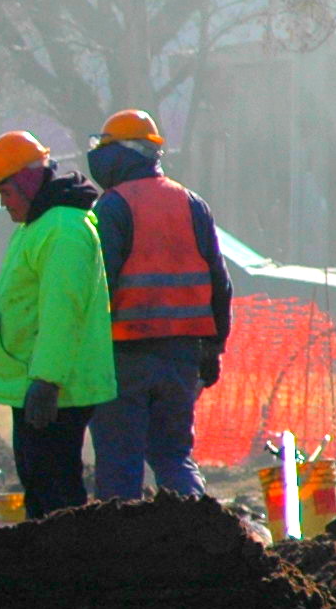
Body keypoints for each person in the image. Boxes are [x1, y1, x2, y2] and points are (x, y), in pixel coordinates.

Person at [85, 108, 234, 500]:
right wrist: (213, 350)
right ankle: (199, 535)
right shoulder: (191, 203)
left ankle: (123, 550)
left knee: (120, 463)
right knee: (174, 457)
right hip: (182, 355)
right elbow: (220, 283)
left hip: (125, 356)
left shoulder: (112, 206)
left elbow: (98, 290)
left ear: (119, 154)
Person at [0, 129, 118, 518]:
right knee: (42, 485)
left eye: (6, 193)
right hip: (39, 383)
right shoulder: (43, 225)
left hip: (54, 388)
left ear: (25, 182)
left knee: (54, 491)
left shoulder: (63, 230)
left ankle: (64, 566)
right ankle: (58, 563)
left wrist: (47, 380)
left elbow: (62, 310)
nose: (4, 205)